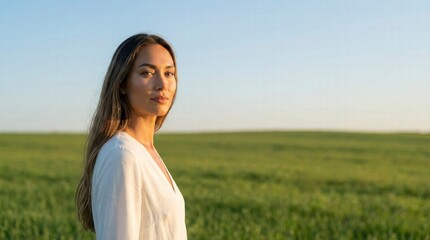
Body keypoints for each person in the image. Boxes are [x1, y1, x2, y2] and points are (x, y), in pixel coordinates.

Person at [75, 33, 187, 240]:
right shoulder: (123, 155)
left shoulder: (143, 151)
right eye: (147, 73)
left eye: (169, 73)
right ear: (122, 84)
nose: (162, 84)